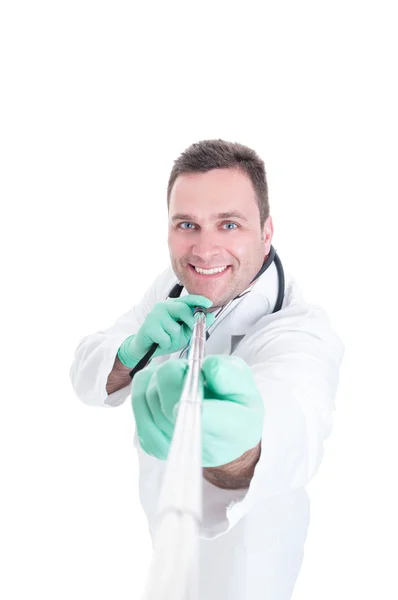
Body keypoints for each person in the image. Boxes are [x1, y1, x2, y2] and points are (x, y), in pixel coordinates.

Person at [70, 139, 344, 599]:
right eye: (187, 225)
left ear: (266, 231)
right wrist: (132, 351)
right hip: (164, 537)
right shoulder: (173, 287)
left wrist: (233, 446)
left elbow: (296, 417)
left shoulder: (300, 329)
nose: (205, 248)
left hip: (247, 569)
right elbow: (87, 367)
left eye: (229, 224)